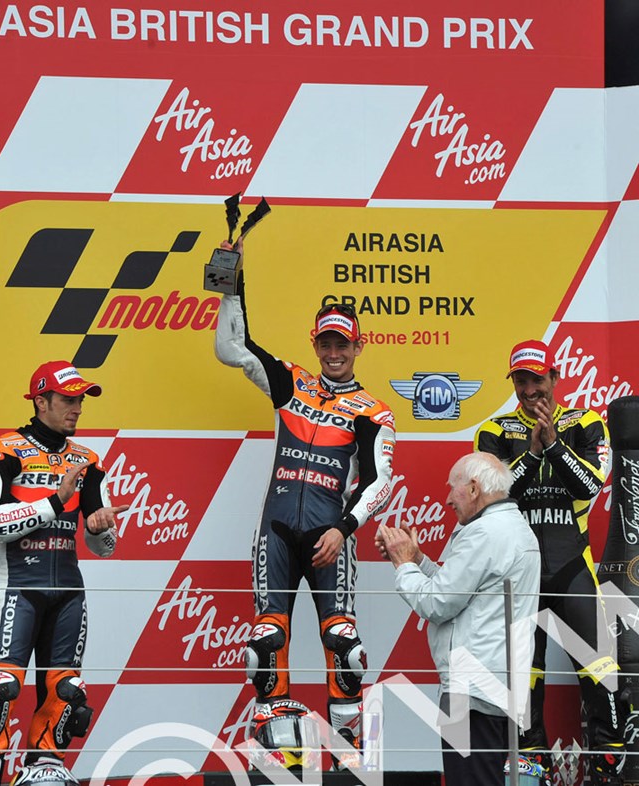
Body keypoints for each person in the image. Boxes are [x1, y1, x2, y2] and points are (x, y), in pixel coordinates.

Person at [214, 237, 396, 769]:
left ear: (359, 346)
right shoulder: (291, 385)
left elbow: (380, 479)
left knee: (345, 646)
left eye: (343, 344)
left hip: (330, 538)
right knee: (266, 642)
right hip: (275, 533)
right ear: (314, 344)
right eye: (326, 344)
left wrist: (343, 527)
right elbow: (232, 347)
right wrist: (231, 280)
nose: (334, 354)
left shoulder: (372, 410)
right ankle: (280, 754)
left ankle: (346, 755)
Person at [0, 361, 127, 786]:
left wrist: (102, 528)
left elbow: (102, 549)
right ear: (41, 400)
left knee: (66, 695)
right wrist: (55, 501)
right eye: (68, 399)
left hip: (69, 592)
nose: (77, 409)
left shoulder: (87, 460)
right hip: (16, 590)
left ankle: (44, 773)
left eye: (80, 401)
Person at [475, 339, 625, 786]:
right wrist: (536, 453)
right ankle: (533, 771)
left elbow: (590, 486)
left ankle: (609, 765)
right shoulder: (494, 431)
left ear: (554, 378)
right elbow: (495, 496)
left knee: (601, 670)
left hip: (571, 566)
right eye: (521, 380)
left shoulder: (585, 422)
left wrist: (555, 445)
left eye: (537, 379)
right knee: (525, 679)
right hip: (520, 574)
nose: (530, 389)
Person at [375, 452, 541, 786]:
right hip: (490, 684)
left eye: (453, 489)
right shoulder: (508, 527)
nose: (448, 499)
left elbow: (437, 603)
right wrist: (419, 559)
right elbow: (460, 589)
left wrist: (404, 565)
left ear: (475, 488)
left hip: (473, 687)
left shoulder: (485, 534)